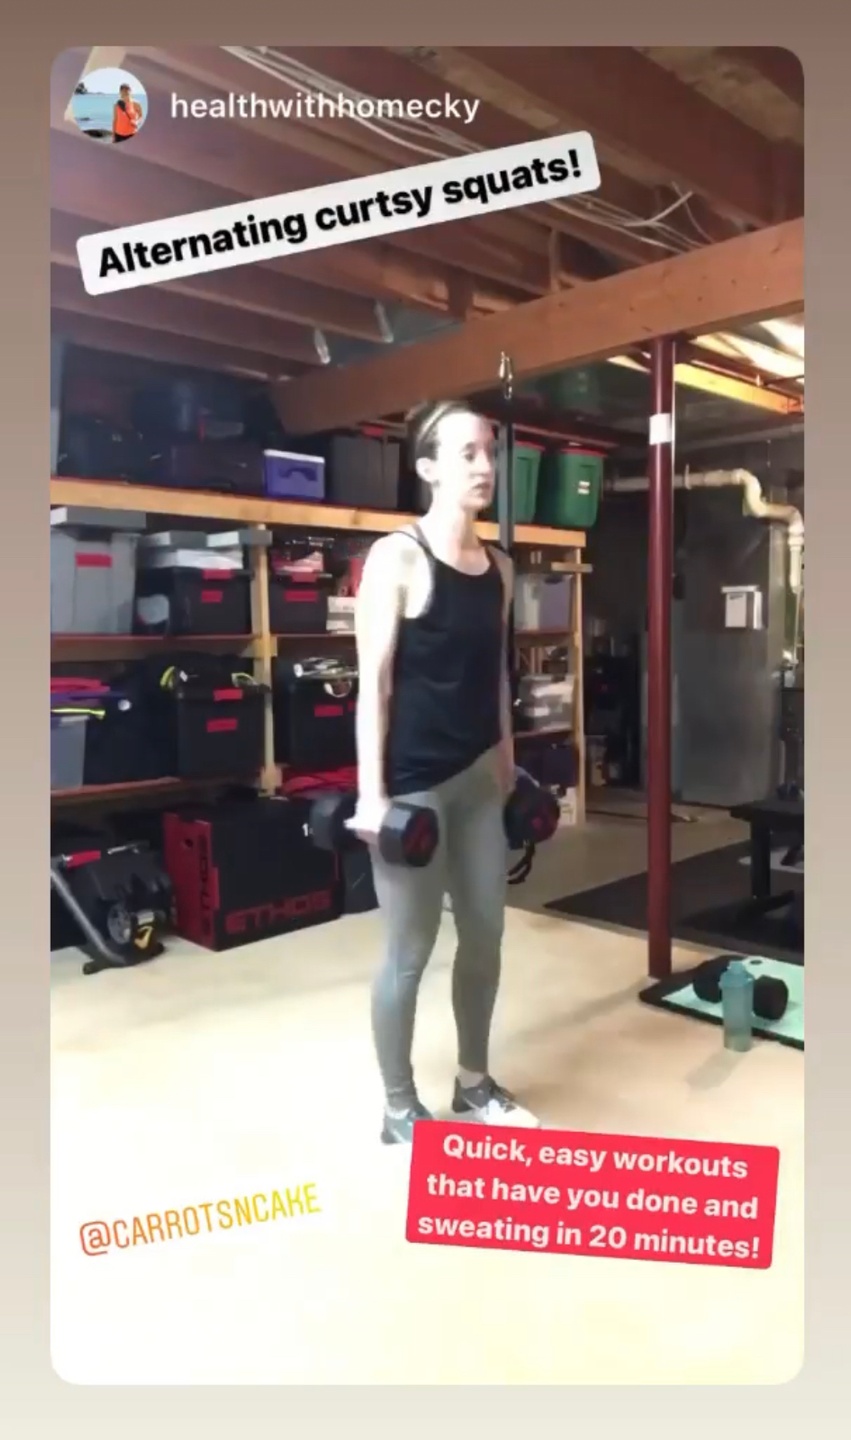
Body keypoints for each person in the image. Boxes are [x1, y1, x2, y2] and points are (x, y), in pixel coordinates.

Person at [348, 398, 540, 1144]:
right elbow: (375, 684)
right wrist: (371, 798)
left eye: (489, 451)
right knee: (409, 952)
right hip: (413, 786)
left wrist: (510, 773)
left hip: (479, 782)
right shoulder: (397, 557)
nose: (485, 466)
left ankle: (473, 1083)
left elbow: (496, 679)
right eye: (467, 454)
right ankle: (399, 1109)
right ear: (427, 467)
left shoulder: (500, 568)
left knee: (486, 935)